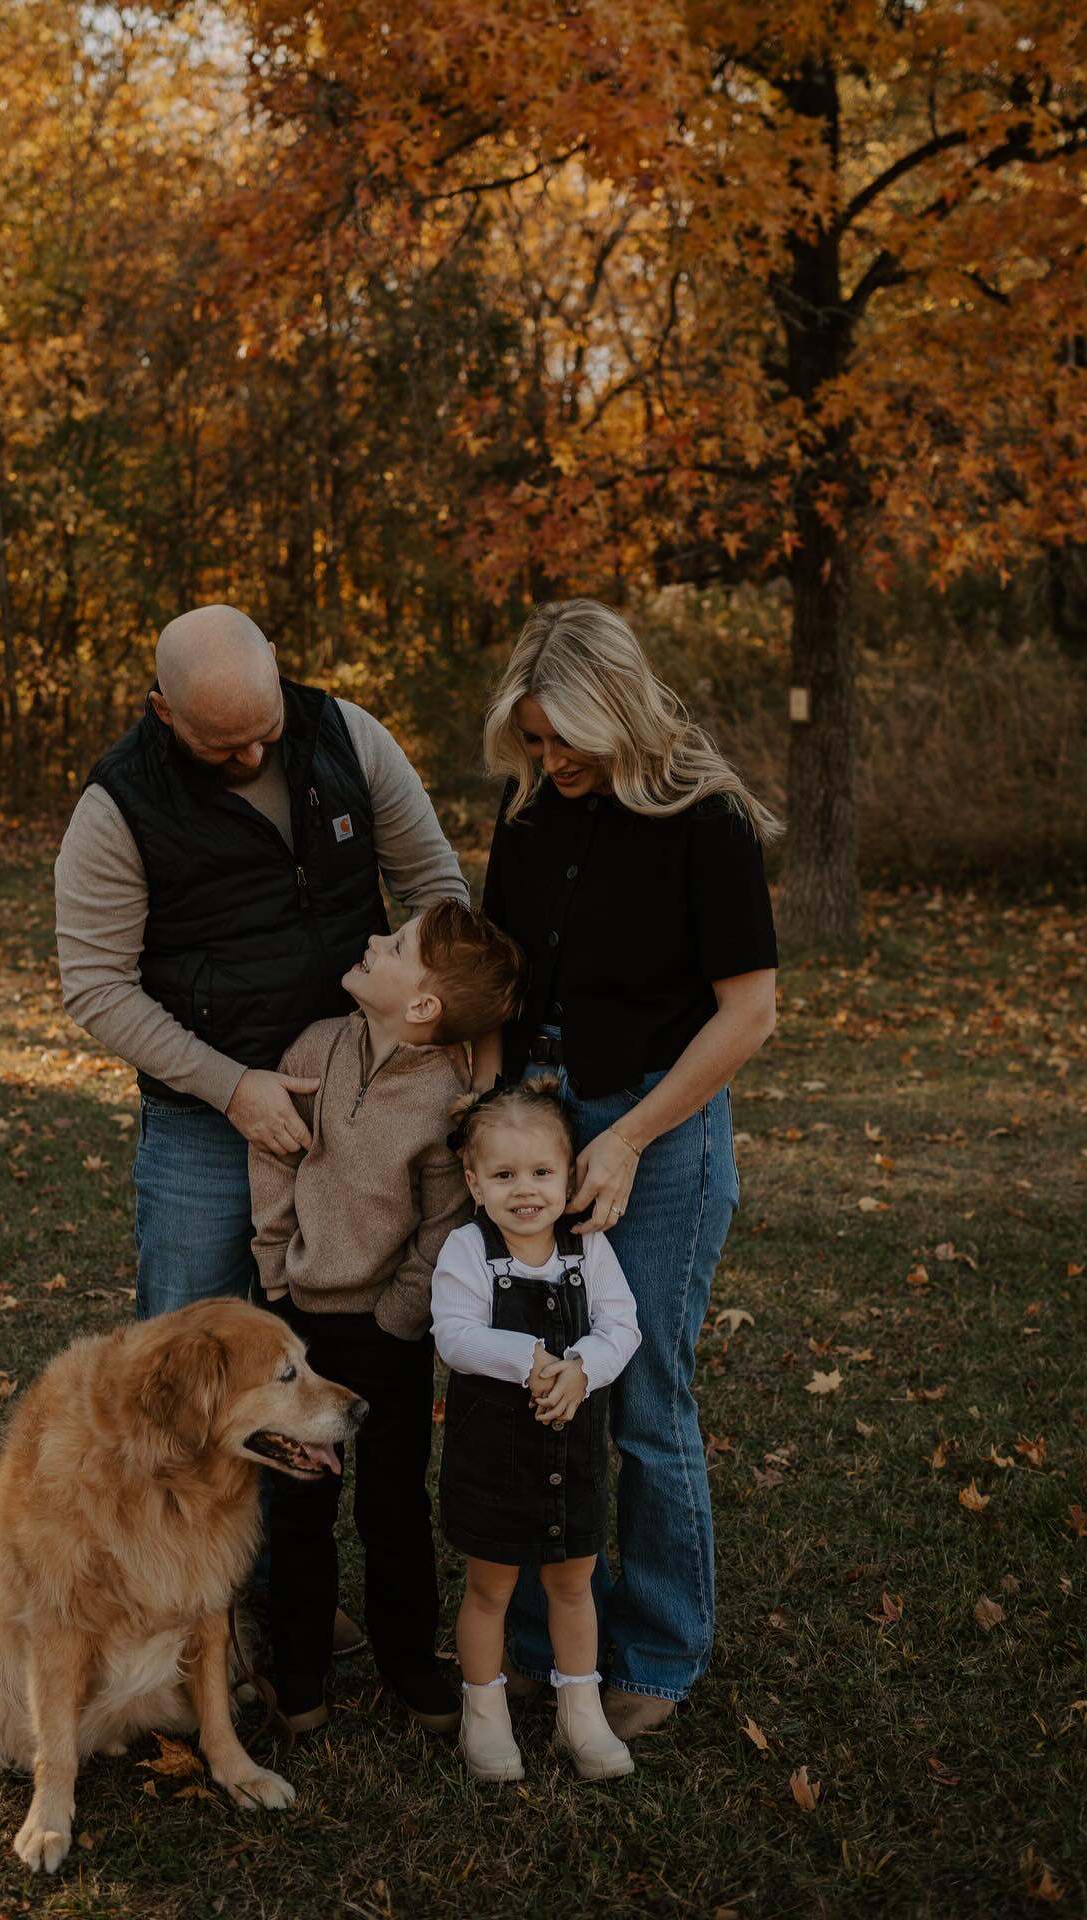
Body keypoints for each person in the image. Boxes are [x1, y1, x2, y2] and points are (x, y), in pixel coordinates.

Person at [473, 597, 779, 1739]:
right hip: (539, 1122)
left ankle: (659, 1646)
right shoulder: (528, 813)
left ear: (623, 711)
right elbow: (505, 985)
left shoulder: (707, 816)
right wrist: (498, 1123)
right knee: (539, 1383)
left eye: (568, 742)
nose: (550, 762)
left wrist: (633, 1134)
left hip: (660, 1125)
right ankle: (551, 1642)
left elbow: (748, 1014)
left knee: (640, 1393)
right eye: (536, 740)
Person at [55, 604, 468, 1321]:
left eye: (264, 733)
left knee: (334, 1351)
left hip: (358, 1101)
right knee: (191, 1352)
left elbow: (436, 894)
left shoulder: (349, 737)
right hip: (204, 1124)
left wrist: (430, 1031)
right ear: (164, 709)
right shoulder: (119, 804)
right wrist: (233, 1087)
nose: (250, 758)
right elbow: (96, 986)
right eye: (222, 747)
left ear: (275, 663)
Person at [249, 901, 526, 1736]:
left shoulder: (444, 1096)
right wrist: (274, 1275)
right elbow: (272, 1161)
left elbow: (444, 1221)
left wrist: (400, 1315)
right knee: (298, 1508)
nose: (372, 938)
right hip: (301, 1330)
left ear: (423, 1009)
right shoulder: (311, 1049)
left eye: (396, 944)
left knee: (394, 1510)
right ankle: (298, 1677)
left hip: (388, 1335)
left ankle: (410, 1668)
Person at [432, 1076, 641, 1782]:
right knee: (489, 1589)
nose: (526, 1190)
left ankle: (578, 1713)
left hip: (571, 1456)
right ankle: (483, 1712)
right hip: (494, 1459)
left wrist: (580, 1369)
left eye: (542, 1172)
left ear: (570, 1172)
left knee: (574, 1585)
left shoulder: (588, 1251)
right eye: (504, 1174)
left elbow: (623, 1326)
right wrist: (534, 1360)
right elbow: (455, 1338)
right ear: (474, 1178)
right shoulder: (468, 1250)